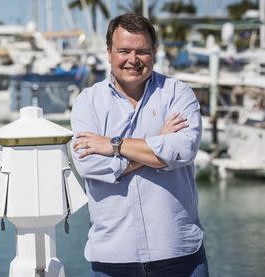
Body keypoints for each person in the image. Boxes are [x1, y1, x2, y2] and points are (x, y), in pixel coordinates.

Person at [70, 13, 209, 276]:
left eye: (142, 51)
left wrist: (113, 145)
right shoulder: (87, 102)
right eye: (124, 51)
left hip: (179, 253)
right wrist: (157, 146)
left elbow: (183, 150)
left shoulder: (178, 94)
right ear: (109, 52)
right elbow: (88, 164)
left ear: (154, 53)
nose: (133, 60)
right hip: (112, 258)